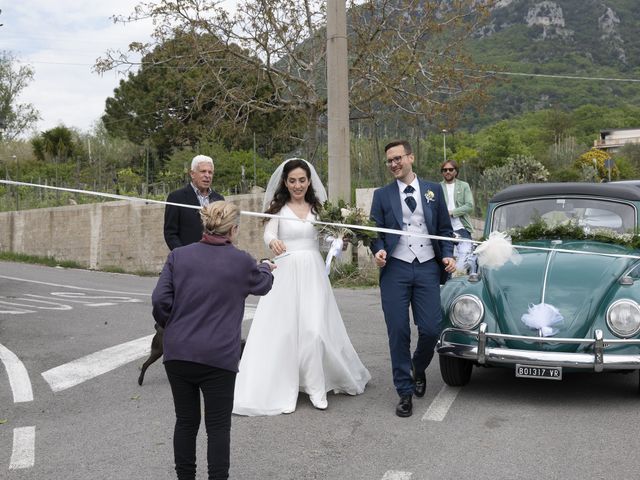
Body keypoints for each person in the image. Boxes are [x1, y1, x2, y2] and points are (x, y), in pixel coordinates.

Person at [232, 158, 371, 416]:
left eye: (302, 180)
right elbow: (269, 233)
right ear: (285, 182)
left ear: (309, 182)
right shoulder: (278, 209)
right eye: (293, 180)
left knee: (314, 329)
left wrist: (340, 242)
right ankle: (283, 383)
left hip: (313, 273)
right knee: (284, 331)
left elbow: (327, 239)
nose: (298, 185)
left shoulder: (319, 210)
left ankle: (316, 387)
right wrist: (273, 242)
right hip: (285, 271)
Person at [152, 201, 276, 480]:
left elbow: (160, 300)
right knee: (218, 427)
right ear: (233, 229)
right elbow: (263, 285)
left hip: (179, 353)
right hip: (219, 357)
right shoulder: (242, 261)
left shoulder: (179, 256)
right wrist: (266, 267)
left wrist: (172, 325)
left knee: (185, 421)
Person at [369, 140, 456, 418]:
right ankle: (404, 391)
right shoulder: (382, 195)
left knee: (431, 329)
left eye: (398, 158)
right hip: (396, 267)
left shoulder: (434, 190)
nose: (393, 164)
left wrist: (448, 255)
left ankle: (418, 367)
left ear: (411, 158)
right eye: (389, 161)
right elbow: (374, 231)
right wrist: (378, 249)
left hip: (428, 265)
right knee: (398, 331)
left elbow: (444, 228)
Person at [164, 154, 224, 251]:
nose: (207, 175)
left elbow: (223, 230)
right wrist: (183, 255)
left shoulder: (219, 199)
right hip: (188, 258)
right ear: (192, 174)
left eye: (210, 172)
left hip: (215, 257)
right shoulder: (176, 198)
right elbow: (170, 233)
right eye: (203, 171)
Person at [440, 160, 475, 273]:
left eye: (451, 169)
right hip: (444, 229)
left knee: (466, 261)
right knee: (446, 262)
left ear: (456, 171)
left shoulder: (464, 186)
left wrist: (452, 212)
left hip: (462, 228)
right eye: (445, 170)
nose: (448, 172)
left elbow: (469, 206)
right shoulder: (437, 187)